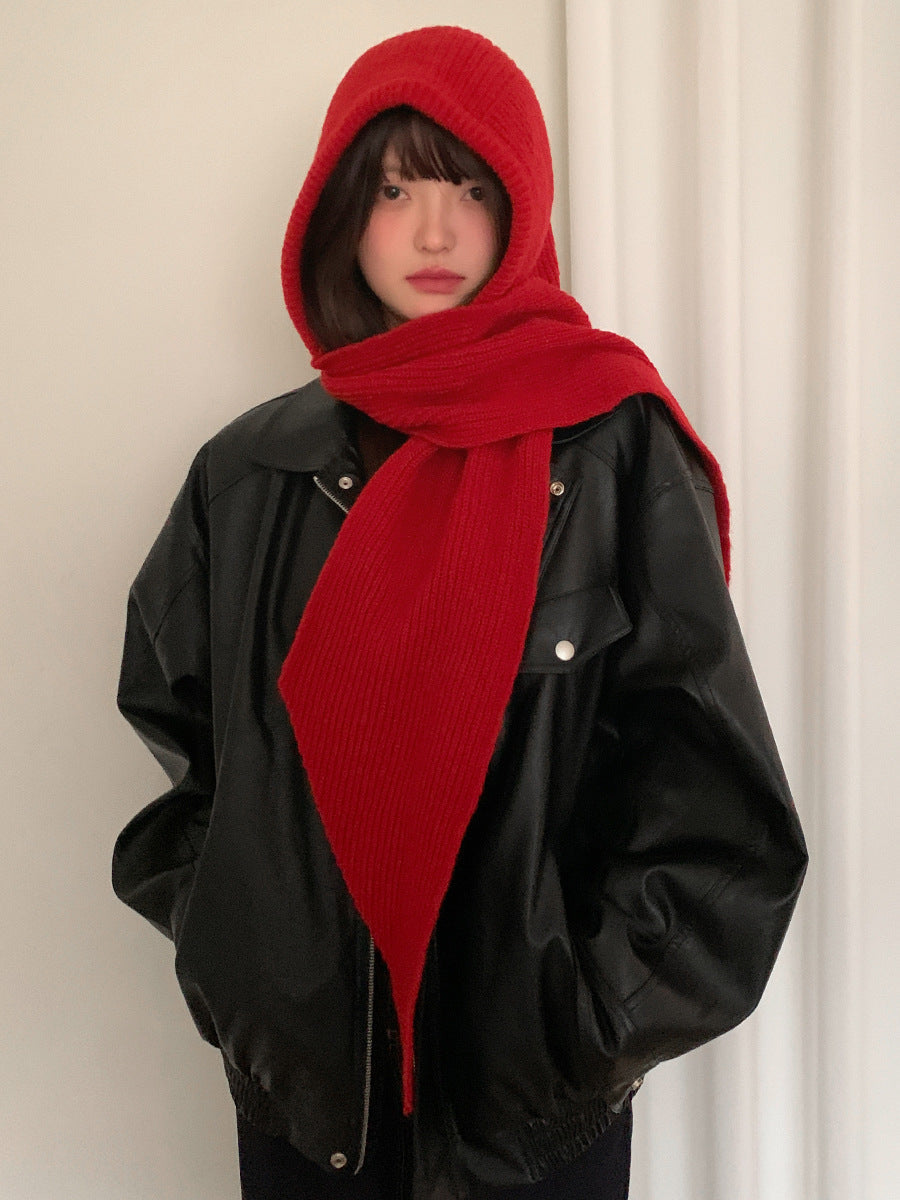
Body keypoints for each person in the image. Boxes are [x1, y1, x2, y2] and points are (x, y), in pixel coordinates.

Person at [112, 25, 808, 1200]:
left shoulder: (614, 452)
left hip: (532, 1117)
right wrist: (247, 970)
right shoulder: (249, 476)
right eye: (395, 189)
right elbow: (187, 753)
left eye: (471, 189)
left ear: (521, 209)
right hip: (309, 1112)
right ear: (340, 212)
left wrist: (581, 1032)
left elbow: (713, 802)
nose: (434, 231)